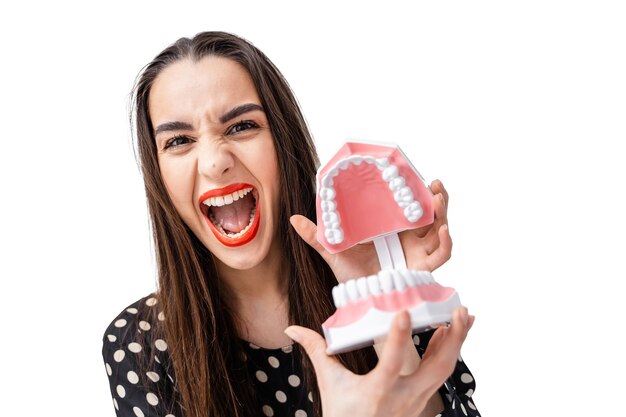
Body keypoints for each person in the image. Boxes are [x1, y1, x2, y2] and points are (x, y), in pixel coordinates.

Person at [102, 31, 480, 417]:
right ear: (158, 172)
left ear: (284, 142)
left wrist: (377, 298)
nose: (215, 162)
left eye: (241, 127)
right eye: (179, 140)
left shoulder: (383, 286)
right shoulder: (139, 344)